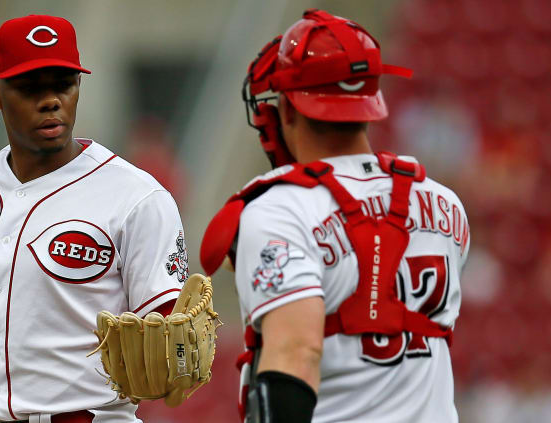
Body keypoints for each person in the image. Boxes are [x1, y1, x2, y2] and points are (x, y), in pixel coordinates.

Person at [200, 9, 470, 423]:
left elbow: (296, 352)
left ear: (287, 109)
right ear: (369, 104)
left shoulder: (280, 209)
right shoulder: (445, 202)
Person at [0, 15, 188, 423]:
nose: (51, 99)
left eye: (63, 83)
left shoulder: (137, 196)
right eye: (30, 87)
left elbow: (170, 342)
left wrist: (171, 358)